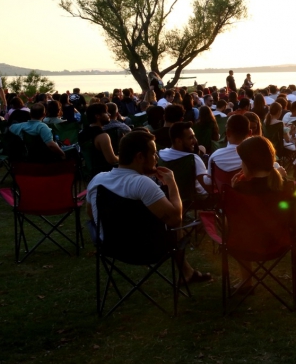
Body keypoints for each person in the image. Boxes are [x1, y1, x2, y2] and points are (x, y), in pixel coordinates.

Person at [86, 129, 212, 284]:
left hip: (109, 247)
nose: (156, 158)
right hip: (148, 250)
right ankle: (187, 272)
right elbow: (174, 219)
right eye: (153, 154)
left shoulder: (97, 180)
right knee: (174, 228)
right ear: (140, 157)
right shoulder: (142, 184)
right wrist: (172, 183)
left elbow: (91, 213)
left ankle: (187, 272)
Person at [229, 136, 296, 293]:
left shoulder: (239, 189)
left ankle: (247, 280)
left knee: (236, 231)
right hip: (279, 244)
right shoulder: (286, 187)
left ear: (248, 162)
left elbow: (233, 223)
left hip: (247, 245)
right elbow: (295, 221)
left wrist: (233, 191)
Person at [158, 122, 211, 199]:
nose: (195, 140)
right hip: (194, 203)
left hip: (168, 201)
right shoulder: (193, 159)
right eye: (190, 138)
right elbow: (208, 188)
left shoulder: (160, 154)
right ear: (178, 141)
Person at [79, 103, 120, 175]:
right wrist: (122, 158)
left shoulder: (82, 133)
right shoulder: (102, 136)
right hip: (105, 173)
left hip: (91, 173)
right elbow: (112, 160)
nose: (109, 114)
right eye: (106, 112)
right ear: (97, 116)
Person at [207, 114, 252, 178]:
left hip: (221, 188)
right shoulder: (256, 158)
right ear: (250, 133)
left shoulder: (214, 156)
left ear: (227, 133)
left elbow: (208, 182)